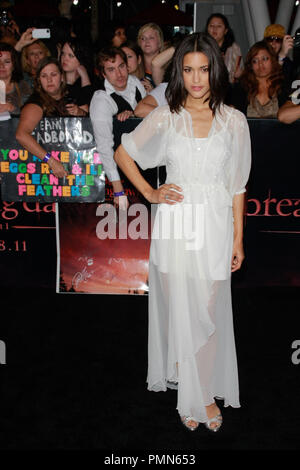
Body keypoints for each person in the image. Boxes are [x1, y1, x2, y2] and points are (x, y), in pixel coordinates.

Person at [114, 32, 251, 432]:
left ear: (215, 71)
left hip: (213, 224)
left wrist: (239, 238)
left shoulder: (234, 121)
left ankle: (203, 391)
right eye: (188, 70)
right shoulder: (167, 115)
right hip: (176, 223)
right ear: (179, 73)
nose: (195, 79)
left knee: (206, 312)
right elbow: (124, 153)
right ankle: (193, 398)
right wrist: (151, 193)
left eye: (203, 70)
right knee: (183, 315)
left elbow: (238, 186)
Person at [90, 47, 146, 209]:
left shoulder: (135, 83)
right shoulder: (101, 99)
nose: (119, 74)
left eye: (121, 66)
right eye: (111, 69)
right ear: (103, 74)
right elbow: (104, 147)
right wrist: (118, 190)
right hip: (119, 171)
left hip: (143, 162)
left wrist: (134, 113)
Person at [16, 57, 69, 178]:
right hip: (42, 171)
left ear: (61, 77)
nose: (49, 80)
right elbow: (21, 135)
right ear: (39, 80)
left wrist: (81, 113)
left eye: (53, 74)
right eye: (44, 76)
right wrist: (51, 161)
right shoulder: (35, 104)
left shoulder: (70, 98)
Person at [228, 41, 286, 118]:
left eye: (264, 59)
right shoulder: (242, 88)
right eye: (255, 61)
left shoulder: (284, 85)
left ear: (272, 60)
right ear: (251, 65)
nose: (260, 64)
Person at [205, 12, 243, 83]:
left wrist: (240, 74)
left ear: (225, 30)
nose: (214, 29)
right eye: (211, 26)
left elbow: (239, 70)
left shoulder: (234, 48)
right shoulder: (202, 48)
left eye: (219, 26)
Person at [60, 38, 94, 115]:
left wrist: (85, 78)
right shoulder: (55, 79)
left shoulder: (90, 82)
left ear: (80, 58)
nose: (65, 58)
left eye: (70, 55)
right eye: (63, 53)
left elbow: (90, 111)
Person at [0, 42, 31, 115]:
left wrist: (12, 109)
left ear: (14, 65)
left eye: (7, 62)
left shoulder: (24, 87)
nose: (1, 66)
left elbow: (32, 114)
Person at [137, 22, 164, 91]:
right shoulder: (135, 65)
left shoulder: (169, 67)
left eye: (151, 38)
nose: (147, 41)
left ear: (159, 42)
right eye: (143, 38)